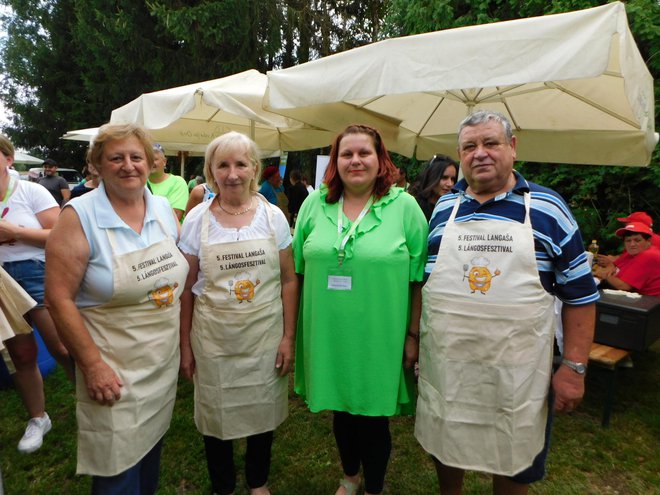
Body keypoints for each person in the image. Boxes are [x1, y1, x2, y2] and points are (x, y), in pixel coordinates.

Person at [415, 110, 598, 495]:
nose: (479, 153)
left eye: (490, 143)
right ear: (460, 155)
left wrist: (574, 368)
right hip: (450, 369)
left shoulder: (549, 209)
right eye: (469, 146)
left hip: (518, 374)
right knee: (447, 446)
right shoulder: (444, 211)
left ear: (512, 148)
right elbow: (427, 285)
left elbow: (580, 295)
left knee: (515, 457)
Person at [45, 123, 188, 494]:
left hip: (159, 358)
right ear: (97, 165)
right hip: (112, 364)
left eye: (136, 157)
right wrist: (92, 366)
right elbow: (58, 299)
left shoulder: (161, 207)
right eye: (116, 158)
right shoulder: (79, 217)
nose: (128, 166)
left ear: (151, 162)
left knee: (151, 447)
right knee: (117, 465)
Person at [293, 124, 428, 495]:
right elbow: (298, 270)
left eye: (363, 153)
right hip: (328, 330)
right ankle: (350, 476)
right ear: (335, 162)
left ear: (380, 159)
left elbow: (418, 280)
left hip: (380, 331)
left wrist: (412, 335)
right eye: (346, 154)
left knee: (372, 417)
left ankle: (374, 487)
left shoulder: (404, 207)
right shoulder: (314, 204)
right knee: (341, 409)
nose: (355, 161)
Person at [179, 131, 297, 495]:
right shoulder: (197, 219)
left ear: (254, 169)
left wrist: (288, 337)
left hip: (263, 335)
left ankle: (258, 482)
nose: (232, 173)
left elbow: (289, 281)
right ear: (211, 172)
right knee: (216, 415)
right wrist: (184, 345)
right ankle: (223, 485)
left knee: (263, 410)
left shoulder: (273, 216)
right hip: (214, 338)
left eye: (241, 164)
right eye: (223, 165)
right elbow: (186, 288)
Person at [0, 134, 73, 454]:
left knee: (62, 345)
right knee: (22, 354)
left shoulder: (30, 191)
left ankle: (92, 403)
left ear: (8, 159)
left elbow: (59, 236)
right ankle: (38, 418)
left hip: (34, 271)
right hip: (0, 280)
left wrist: (15, 233)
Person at [593, 221, 660, 296]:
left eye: (637, 240)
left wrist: (605, 275)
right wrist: (609, 267)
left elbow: (624, 286)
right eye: (628, 240)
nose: (632, 244)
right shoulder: (633, 252)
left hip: (650, 303)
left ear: (649, 241)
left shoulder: (648, 255)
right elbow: (615, 266)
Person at [408, 154, 459, 221]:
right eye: (444, 177)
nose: (450, 184)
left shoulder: (453, 207)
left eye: (453, 179)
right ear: (432, 177)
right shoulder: (415, 206)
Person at [147, 143, 189, 221]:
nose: (151, 162)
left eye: (155, 159)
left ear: (164, 162)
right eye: (148, 159)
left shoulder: (177, 182)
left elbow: (174, 217)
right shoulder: (140, 184)